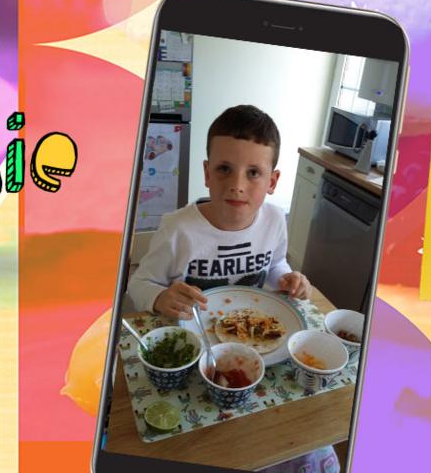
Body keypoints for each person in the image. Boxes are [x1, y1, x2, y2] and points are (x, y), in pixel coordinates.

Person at [128, 104, 311, 319]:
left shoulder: (275, 220)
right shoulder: (177, 228)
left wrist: (286, 278)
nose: (237, 185)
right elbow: (138, 284)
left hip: (249, 331)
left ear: (272, 182)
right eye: (224, 169)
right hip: (194, 335)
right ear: (207, 173)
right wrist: (159, 297)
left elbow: (275, 263)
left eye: (253, 172)